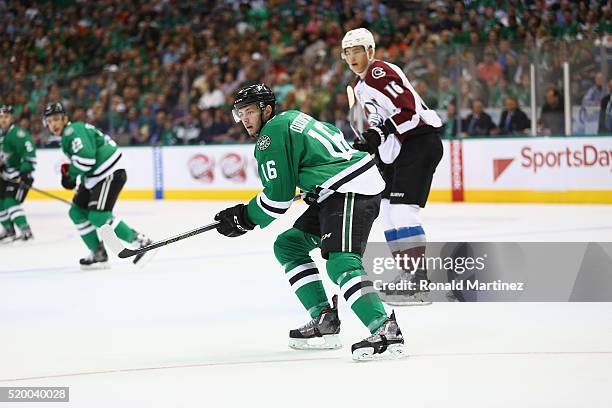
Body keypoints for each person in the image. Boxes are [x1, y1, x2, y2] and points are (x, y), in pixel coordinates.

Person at [214, 84, 405, 361]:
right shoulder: (291, 119)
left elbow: (278, 199)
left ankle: (385, 330)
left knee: (341, 261)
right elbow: (321, 156)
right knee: (288, 245)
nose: (245, 119)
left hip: (351, 189)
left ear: (266, 110)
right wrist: (314, 183)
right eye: (240, 113)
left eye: (250, 111)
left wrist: (244, 217)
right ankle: (324, 320)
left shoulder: (271, 135)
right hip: (335, 189)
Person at [342, 28, 444, 305]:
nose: (352, 56)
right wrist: (372, 141)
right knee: (387, 212)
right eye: (347, 52)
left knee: (402, 212)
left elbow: (408, 111)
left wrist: (380, 133)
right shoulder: (361, 87)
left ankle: (419, 283)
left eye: (357, 50)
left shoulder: (379, 73)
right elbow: (380, 122)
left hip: (419, 141)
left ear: (370, 51)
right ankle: (408, 275)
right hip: (399, 150)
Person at [43, 102, 151, 269]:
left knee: (98, 216)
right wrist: (70, 176)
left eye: (56, 119)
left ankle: (139, 241)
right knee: (76, 211)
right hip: (95, 176)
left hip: (109, 172)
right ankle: (98, 252)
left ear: (65, 119)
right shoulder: (67, 138)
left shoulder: (72, 131)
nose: (53, 124)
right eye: (49, 121)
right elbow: (82, 164)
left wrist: (71, 172)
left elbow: (87, 160)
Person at [0, 105, 36, 242]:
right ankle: (9, 230)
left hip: (19, 176)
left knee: (10, 201)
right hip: (6, 175)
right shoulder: (2, 135)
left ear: (12, 118)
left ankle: (26, 230)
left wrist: (25, 173)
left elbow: (30, 155)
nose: (3, 120)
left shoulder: (19, 134)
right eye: (1, 117)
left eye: (6, 117)